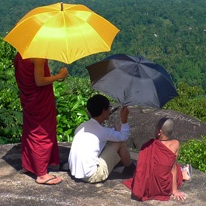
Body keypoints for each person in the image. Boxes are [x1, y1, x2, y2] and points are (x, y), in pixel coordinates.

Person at [13, 53, 68, 185]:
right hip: (39, 99)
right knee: (42, 132)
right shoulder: (37, 55)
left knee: (30, 129)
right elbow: (39, 81)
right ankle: (42, 174)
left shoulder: (21, 53)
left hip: (28, 97)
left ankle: (28, 165)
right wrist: (59, 76)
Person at [68, 94, 134, 183]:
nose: (110, 110)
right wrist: (124, 119)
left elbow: (101, 134)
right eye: (109, 108)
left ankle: (127, 166)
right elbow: (123, 137)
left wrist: (115, 131)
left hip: (74, 170)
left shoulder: (81, 126)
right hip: (91, 175)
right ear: (104, 111)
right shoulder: (102, 131)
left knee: (108, 143)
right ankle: (131, 169)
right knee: (120, 143)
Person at [124, 117, 188, 202]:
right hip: (165, 188)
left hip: (148, 187)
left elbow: (141, 169)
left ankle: (183, 173)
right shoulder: (175, 144)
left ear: (159, 132)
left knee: (169, 164)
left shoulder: (148, 146)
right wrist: (175, 190)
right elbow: (172, 168)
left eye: (156, 128)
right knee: (174, 165)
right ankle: (184, 174)